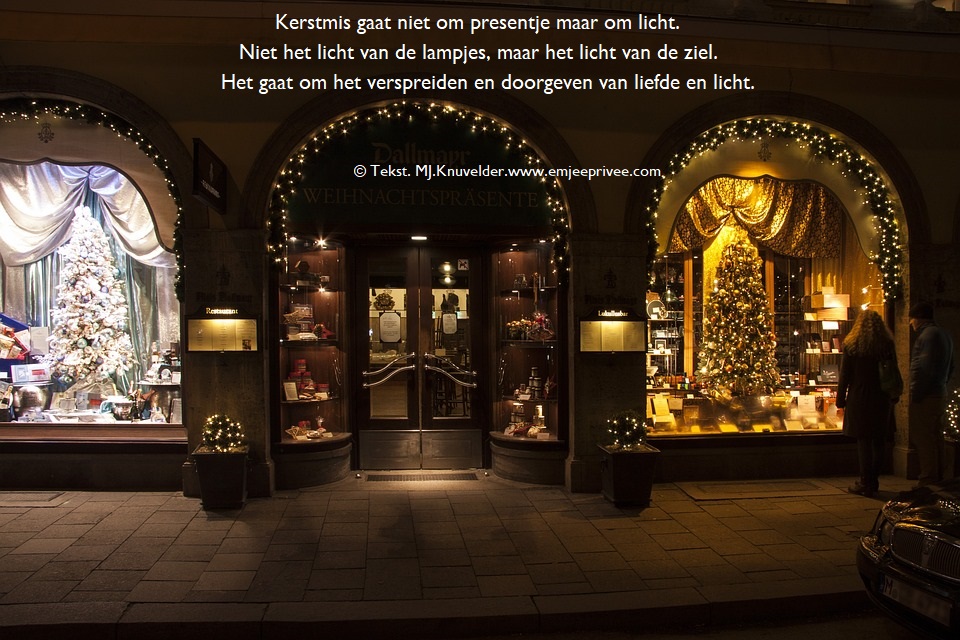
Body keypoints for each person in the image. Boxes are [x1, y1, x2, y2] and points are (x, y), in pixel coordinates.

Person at [836, 309, 898, 497]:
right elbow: (893, 371)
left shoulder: (853, 345)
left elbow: (845, 375)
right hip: (881, 397)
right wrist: (894, 393)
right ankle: (874, 480)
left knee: (863, 440)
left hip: (860, 396)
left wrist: (840, 399)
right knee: (879, 440)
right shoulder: (886, 344)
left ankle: (865, 481)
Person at [909, 301, 955, 487]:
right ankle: (940, 474)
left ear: (919, 319)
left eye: (912, 319)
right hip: (939, 392)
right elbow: (951, 366)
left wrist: (916, 393)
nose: (911, 323)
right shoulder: (944, 334)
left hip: (926, 395)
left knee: (924, 437)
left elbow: (924, 369)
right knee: (936, 435)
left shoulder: (927, 336)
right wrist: (942, 384)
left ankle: (928, 477)